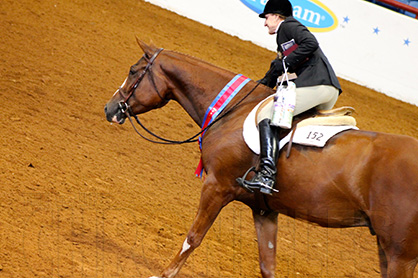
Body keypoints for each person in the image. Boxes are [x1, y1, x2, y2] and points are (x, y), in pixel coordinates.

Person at [237, 0, 342, 195]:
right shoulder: (284, 40)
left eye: (267, 17)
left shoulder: (288, 26)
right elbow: (284, 71)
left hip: (317, 85)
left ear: (277, 16)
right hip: (326, 89)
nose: (265, 23)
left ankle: (267, 175)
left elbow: (311, 43)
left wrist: (285, 61)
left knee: (266, 116)